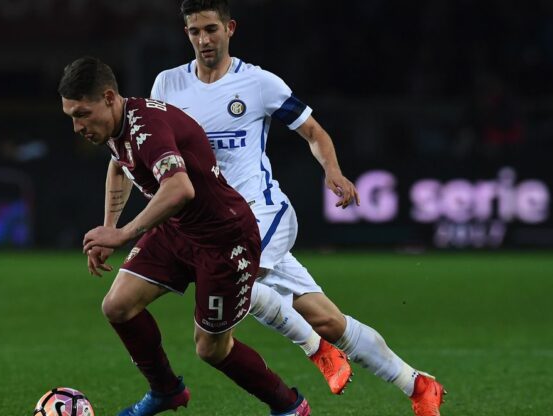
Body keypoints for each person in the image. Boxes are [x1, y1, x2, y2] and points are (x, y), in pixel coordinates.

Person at [150, 1, 446, 415]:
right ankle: (417, 384)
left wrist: (333, 171)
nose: (204, 39)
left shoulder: (258, 83)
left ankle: (313, 347)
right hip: (211, 225)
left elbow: (313, 131)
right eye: (196, 31)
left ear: (230, 28)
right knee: (328, 319)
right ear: (187, 34)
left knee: (229, 282)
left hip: (261, 213)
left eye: (211, 29)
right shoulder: (167, 85)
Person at [59, 57, 310, 416]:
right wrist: (109, 227)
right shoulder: (117, 126)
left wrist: (124, 234)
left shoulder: (146, 128)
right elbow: (118, 165)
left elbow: (180, 189)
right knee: (117, 306)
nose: (77, 126)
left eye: (82, 114)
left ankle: (290, 406)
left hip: (225, 240)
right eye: (71, 116)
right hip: (178, 230)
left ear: (110, 97)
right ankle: (166, 391)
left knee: (211, 349)